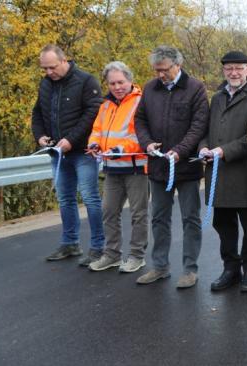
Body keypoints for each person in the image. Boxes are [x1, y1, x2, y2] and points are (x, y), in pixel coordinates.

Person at [134, 46, 209, 289]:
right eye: (156, 70)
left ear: (178, 65)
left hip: (186, 168)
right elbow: (140, 120)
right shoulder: (150, 89)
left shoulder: (195, 88)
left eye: (164, 70)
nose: (160, 75)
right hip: (158, 166)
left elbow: (199, 126)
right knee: (159, 218)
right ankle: (159, 266)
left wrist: (180, 150)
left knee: (190, 219)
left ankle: (190, 269)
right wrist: (146, 143)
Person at [32, 44, 105, 266]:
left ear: (64, 61)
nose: (49, 72)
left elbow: (93, 113)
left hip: (83, 152)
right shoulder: (46, 84)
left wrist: (71, 139)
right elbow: (37, 113)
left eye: (52, 67)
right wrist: (40, 135)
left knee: (90, 198)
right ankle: (70, 243)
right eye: (44, 68)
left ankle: (98, 247)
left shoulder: (86, 81)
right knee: (65, 199)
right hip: (58, 153)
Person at [198, 51, 247, 293]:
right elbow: (206, 130)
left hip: (245, 172)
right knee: (223, 225)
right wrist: (203, 147)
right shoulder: (217, 97)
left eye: (238, 68)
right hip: (218, 174)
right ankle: (230, 268)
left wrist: (224, 151)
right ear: (224, 71)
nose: (233, 73)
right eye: (229, 69)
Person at [86, 61, 149, 273]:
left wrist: (119, 149)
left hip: (136, 168)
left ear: (130, 80)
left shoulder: (141, 102)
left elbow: (141, 135)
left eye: (120, 82)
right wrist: (93, 144)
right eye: (112, 83)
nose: (117, 87)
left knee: (138, 214)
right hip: (111, 168)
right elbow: (97, 130)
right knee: (108, 212)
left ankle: (137, 256)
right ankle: (112, 255)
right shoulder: (105, 105)